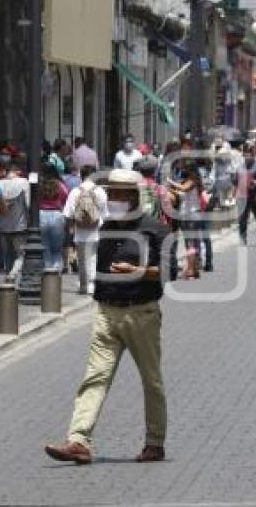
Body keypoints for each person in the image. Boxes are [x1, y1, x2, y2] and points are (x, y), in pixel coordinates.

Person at [44, 168, 169, 465]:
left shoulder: (154, 229)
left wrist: (136, 271)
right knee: (94, 377)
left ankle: (155, 442)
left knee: (151, 381)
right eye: (110, 193)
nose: (112, 198)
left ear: (133, 197)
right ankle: (78, 440)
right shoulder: (108, 226)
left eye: (118, 194)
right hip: (106, 313)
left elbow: (167, 271)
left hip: (141, 313)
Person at [62, 165, 107, 295]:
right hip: (96, 230)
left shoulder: (75, 191)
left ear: (81, 175)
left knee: (81, 259)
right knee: (93, 257)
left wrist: (70, 227)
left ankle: (83, 285)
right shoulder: (100, 192)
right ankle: (92, 285)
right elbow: (105, 214)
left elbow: (68, 213)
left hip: (79, 231)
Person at [168, 161, 204, 279]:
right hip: (187, 214)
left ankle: (191, 270)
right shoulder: (190, 181)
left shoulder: (192, 181)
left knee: (191, 243)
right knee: (190, 243)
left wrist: (170, 182)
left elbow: (183, 189)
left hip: (191, 214)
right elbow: (181, 193)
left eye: (184, 168)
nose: (182, 170)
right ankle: (192, 268)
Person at [0, 161, 30, 282]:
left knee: (7, 257)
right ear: (18, 172)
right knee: (20, 255)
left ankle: (8, 279)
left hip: (3, 227)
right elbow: (28, 204)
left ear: (6, 172)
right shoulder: (24, 183)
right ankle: (13, 274)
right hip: (19, 226)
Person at [38, 165, 69, 271]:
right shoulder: (61, 185)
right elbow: (66, 198)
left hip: (41, 215)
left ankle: (47, 274)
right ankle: (56, 276)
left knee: (45, 248)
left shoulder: (40, 186)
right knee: (56, 249)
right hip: (57, 215)